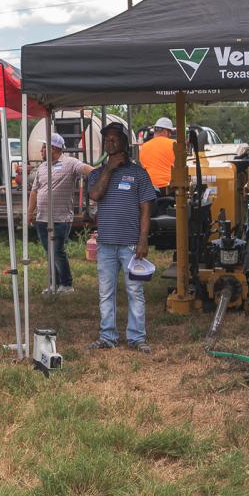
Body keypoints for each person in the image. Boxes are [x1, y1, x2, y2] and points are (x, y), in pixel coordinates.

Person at [87, 123, 156, 353]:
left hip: (130, 245)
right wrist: (109, 169)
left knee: (135, 291)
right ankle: (108, 336)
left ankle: (137, 337)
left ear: (125, 142)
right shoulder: (96, 174)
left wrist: (143, 239)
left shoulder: (138, 174)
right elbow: (95, 194)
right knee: (105, 292)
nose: (111, 143)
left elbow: (146, 209)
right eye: (107, 139)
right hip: (105, 245)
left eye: (115, 138)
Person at [28, 133, 93, 295]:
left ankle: (66, 284)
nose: (41, 150)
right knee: (49, 253)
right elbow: (34, 191)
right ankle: (53, 284)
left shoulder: (69, 163)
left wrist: (101, 173)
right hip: (42, 218)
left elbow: (85, 169)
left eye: (44, 147)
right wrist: (30, 212)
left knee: (57, 251)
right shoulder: (42, 167)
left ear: (54, 148)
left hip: (60, 218)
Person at [139, 117, 176, 191]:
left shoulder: (144, 146)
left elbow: (143, 166)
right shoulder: (174, 144)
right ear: (166, 131)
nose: (170, 135)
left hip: (149, 188)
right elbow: (179, 166)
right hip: (168, 188)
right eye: (170, 132)